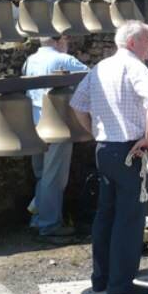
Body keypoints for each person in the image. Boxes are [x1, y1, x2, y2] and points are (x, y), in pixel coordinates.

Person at [70, 21, 148, 294]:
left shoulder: (101, 67)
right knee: (129, 218)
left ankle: (100, 278)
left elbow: (77, 105)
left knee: (105, 214)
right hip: (129, 150)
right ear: (133, 42)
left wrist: (96, 133)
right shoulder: (135, 66)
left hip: (105, 148)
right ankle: (120, 283)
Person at [23, 35, 89, 241]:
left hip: (34, 123)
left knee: (42, 174)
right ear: (61, 40)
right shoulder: (64, 60)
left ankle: (38, 219)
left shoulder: (30, 61)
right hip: (56, 124)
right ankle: (49, 224)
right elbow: (95, 79)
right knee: (55, 176)